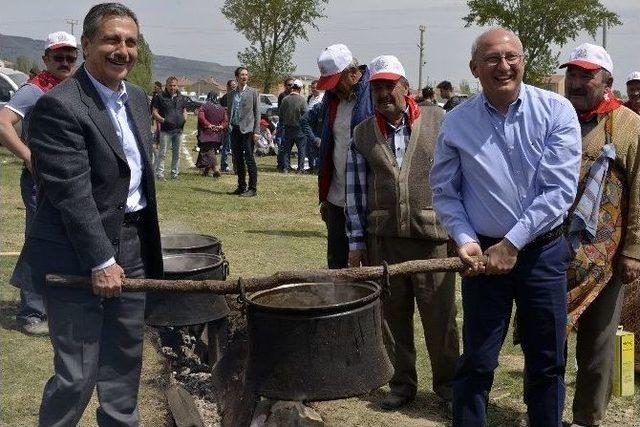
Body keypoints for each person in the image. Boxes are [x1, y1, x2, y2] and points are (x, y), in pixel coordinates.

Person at [19, 3, 163, 425]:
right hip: (76, 252)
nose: (123, 50)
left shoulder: (136, 98)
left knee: (123, 361)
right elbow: (72, 195)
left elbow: (132, 182)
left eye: (131, 41)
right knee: (77, 373)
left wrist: (129, 248)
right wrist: (102, 261)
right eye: (111, 39)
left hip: (133, 246)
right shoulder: (60, 106)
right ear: (86, 44)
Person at [430, 28, 581, 426]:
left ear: (524, 61)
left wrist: (511, 244)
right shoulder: (456, 123)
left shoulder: (556, 112)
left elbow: (558, 192)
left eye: (511, 56)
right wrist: (465, 240)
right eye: (493, 59)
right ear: (474, 68)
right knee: (477, 360)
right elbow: (445, 193)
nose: (504, 66)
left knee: (547, 361)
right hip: (482, 257)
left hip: (543, 254)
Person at [346, 55, 459, 410]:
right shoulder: (363, 133)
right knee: (391, 319)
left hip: (433, 238)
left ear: (405, 87)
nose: (383, 93)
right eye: (377, 87)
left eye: (389, 86)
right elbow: (355, 192)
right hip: (385, 239)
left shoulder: (440, 121)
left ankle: (449, 385)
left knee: (440, 318)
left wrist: (461, 233)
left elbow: (461, 176)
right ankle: (401, 383)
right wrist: (356, 242)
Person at [559, 43, 640, 427]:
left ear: (606, 81)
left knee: (598, 341)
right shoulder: (554, 118)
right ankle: (544, 410)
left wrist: (633, 252)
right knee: (548, 335)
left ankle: (586, 418)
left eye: (586, 75)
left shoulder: (628, 125)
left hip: (605, 259)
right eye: (572, 74)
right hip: (551, 252)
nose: (576, 82)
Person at [0, 30, 78, 336]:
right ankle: (32, 312)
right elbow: (3, 125)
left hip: (70, 181)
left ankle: (57, 304)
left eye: (70, 56)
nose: (64, 61)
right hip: (41, 183)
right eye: (57, 56)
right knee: (39, 241)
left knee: (69, 240)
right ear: (45, 59)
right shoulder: (35, 89)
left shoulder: (73, 87)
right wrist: (31, 158)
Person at [312, 43, 373, 268]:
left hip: (368, 200)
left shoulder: (373, 94)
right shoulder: (332, 98)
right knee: (337, 265)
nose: (332, 88)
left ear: (352, 73)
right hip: (337, 198)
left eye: (335, 81)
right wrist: (326, 197)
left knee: (368, 267)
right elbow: (330, 147)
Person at [227, 66, 260, 197]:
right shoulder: (231, 95)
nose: (244, 77)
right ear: (237, 77)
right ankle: (241, 186)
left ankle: (252, 188)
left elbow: (257, 113)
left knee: (249, 158)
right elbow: (230, 111)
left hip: (248, 130)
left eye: (246, 74)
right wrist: (229, 125)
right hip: (235, 129)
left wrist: (256, 131)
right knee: (238, 159)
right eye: (242, 75)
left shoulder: (253, 92)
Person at [152, 75, 187, 179]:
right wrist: (164, 120)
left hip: (179, 131)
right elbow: (154, 112)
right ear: (166, 85)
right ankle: (160, 174)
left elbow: (184, 110)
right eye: (170, 85)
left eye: (174, 85)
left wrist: (184, 118)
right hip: (166, 131)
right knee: (162, 153)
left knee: (177, 154)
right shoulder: (159, 97)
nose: (172, 87)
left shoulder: (181, 97)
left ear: (177, 86)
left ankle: (174, 174)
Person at [278, 79, 308, 173]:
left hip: (287, 128)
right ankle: (300, 168)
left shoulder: (285, 99)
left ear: (293, 87)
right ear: (299, 89)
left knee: (287, 150)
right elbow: (306, 115)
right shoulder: (302, 100)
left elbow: (280, 114)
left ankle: (286, 168)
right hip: (299, 129)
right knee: (301, 150)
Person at [196, 90, 228, 177]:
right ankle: (206, 171)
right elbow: (225, 120)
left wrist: (208, 125)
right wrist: (221, 126)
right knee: (210, 151)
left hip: (207, 133)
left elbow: (201, 117)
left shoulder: (204, 106)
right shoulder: (222, 108)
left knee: (209, 151)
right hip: (218, 133)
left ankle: (216, 169)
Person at [276, 77, 294, 171]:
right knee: (282, 145)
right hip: (283, 124)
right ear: (285, 86)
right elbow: (281, 111)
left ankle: (287, 164)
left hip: (291, 124)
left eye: (292, 85)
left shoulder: (294, 95)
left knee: (288, 146)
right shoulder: (283, 95)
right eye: (289, 85)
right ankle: (280, 164)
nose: (291, 86)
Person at [219, 79, 237, 172]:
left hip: (237, 125)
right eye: (232, 86)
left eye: (235, 86)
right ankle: (224, 165)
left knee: (236, 147)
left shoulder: (237, 97)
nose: (234, 87)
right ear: (227, 87)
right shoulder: (225, 98)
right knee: (226, 146)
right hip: (228, 125)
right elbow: (223, 112)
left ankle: (236, 167)